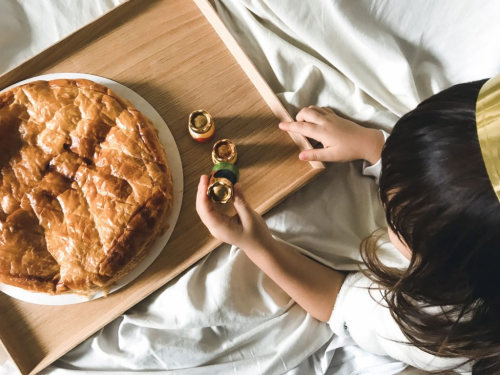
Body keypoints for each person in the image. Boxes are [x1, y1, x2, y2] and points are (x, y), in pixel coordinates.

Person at [196, 76, 500, 374]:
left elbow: (339, 302)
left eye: (396, 218)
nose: (384, 199)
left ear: (447, 271)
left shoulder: (444, 331)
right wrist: (375, 146)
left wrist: (256, 244)